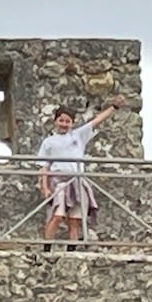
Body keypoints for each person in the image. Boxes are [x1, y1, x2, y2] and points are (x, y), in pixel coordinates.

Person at [37, 94, 126, 251]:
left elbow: (97, 121)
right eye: (61, 120)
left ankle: (71, 252)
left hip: (77, 181)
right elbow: (44, 166)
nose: (64, 124)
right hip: (59, 181)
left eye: (67, 121)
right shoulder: (48, 142)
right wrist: (44, 187)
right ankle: (46, 250)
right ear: (55, 121)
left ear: (72, 123)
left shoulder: (78, 135)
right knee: (57, 215)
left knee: (74, 219)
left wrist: (114, 107)